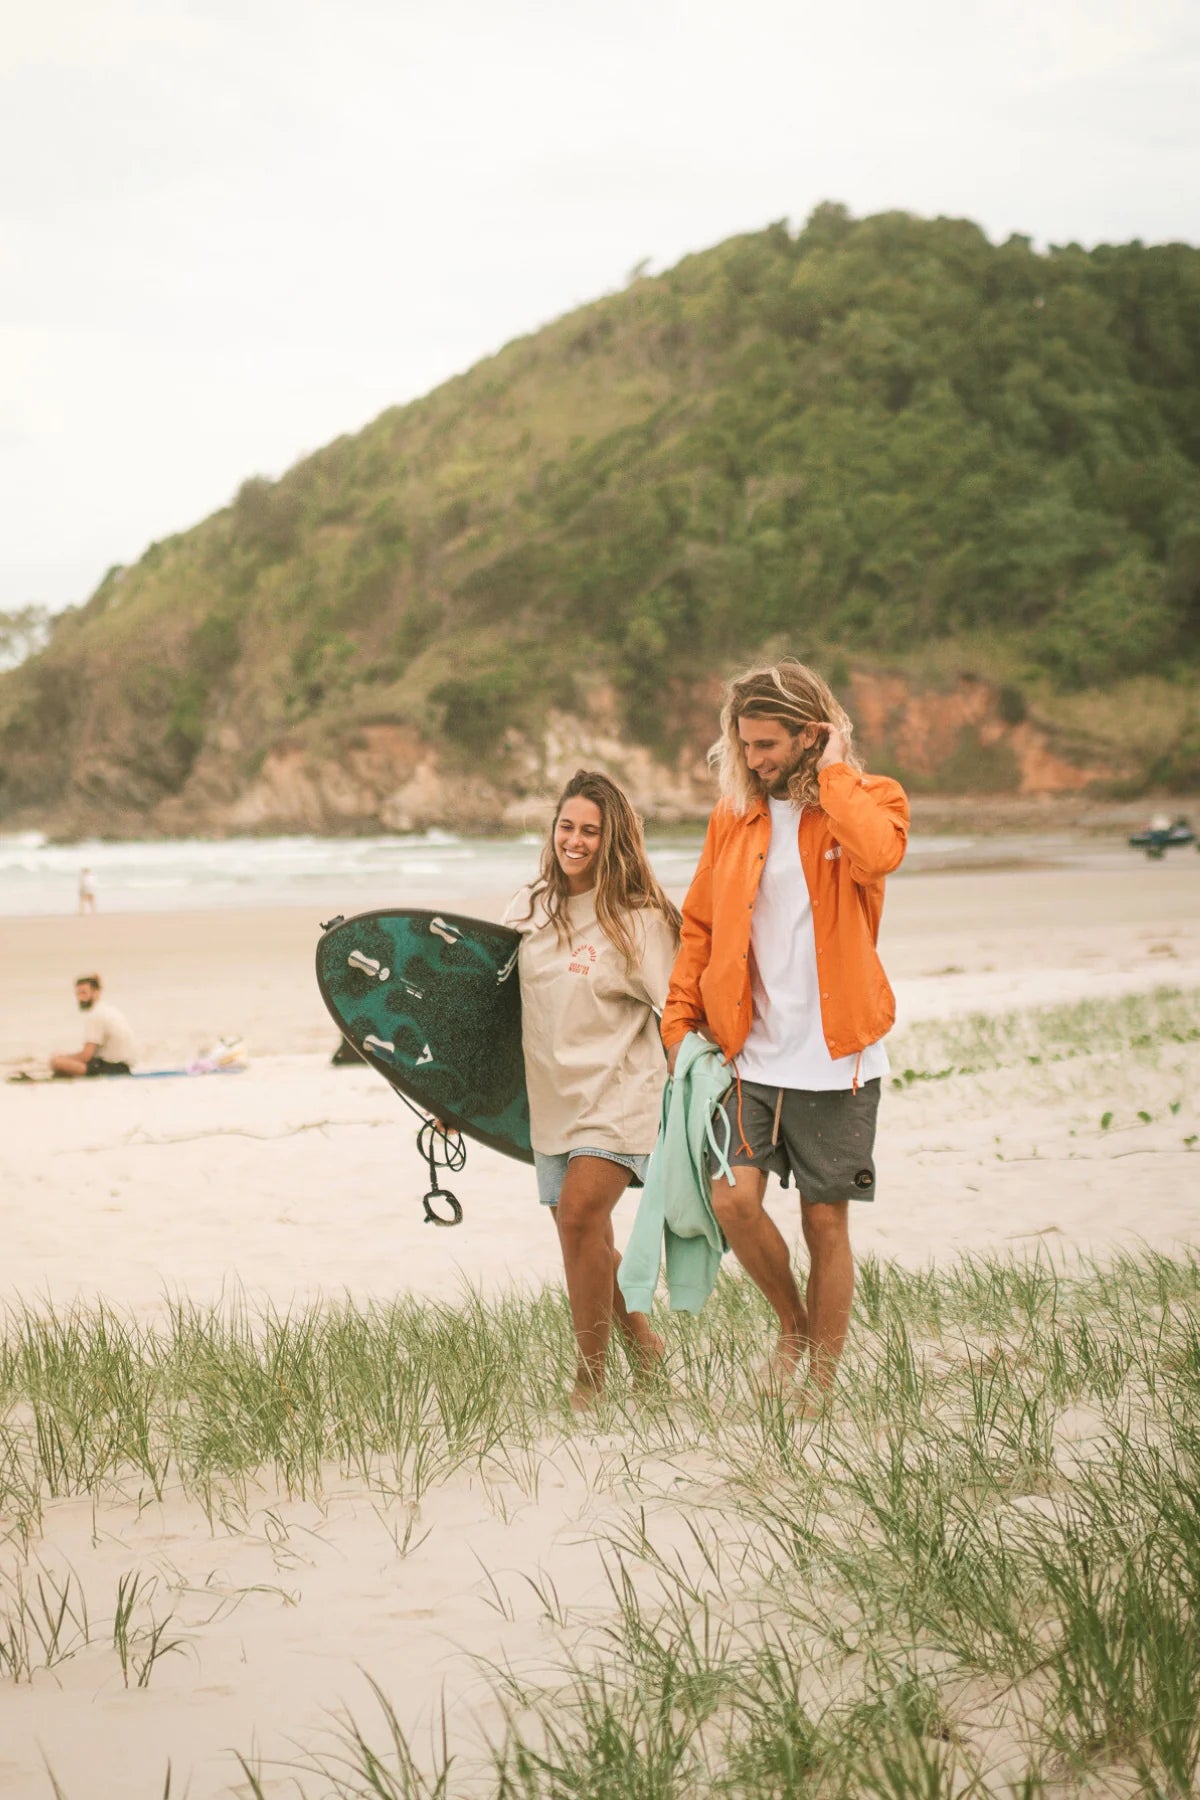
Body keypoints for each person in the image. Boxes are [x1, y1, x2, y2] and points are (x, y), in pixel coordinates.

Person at [661, 659, 909, 1408]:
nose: (755, 759)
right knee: (735, 1200)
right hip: (751, 1051)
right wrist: (679, 1019)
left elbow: (881, 856)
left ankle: (823, 1382)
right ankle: (793, 1327)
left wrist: (834, 776)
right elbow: (701, 925)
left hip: (840, 1056)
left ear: (811, 734)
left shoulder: (871, 800)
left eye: (768, 745)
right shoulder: (733, 818)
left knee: (823, 1221)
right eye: (746, 745)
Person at [505, 770, 681, 1409]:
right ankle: (646, 1347)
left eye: (591, 831)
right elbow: (496, 1008)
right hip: (551, 1094)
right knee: (583, 1239)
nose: (574, 841)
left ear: (616, 841)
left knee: (581, 1217)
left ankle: (589, 1381)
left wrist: (699, 1102)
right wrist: (456, 1099)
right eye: (566, 826)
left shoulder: (640, 921)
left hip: (621, 1090)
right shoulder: (530, 905)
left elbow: (678, 1012)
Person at [50, 974, 137, 1077]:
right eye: (78, 994)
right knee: (63, 1061)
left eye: (84, 993)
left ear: (96, 993)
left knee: (57, 1062)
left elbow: (86, 1055)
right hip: (121, 1065)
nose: (80, 998)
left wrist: (63, 1058)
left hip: (112, 1068)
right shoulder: (107, 1009)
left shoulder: (96, 1015)